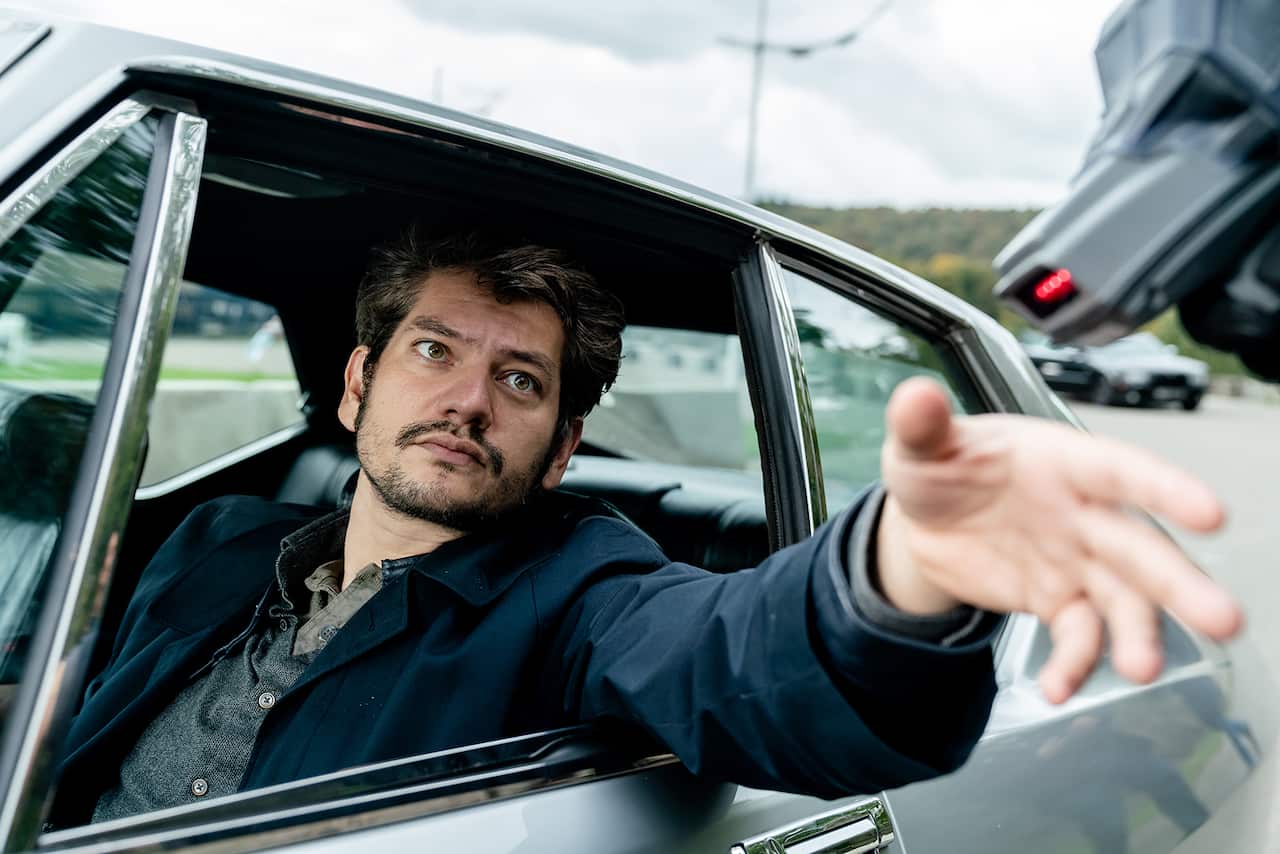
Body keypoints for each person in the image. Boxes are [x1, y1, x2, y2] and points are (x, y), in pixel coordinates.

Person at [54, 230, 1242, 826]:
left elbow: (741, 651)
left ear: (563, 448)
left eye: (521, 381)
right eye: (434, 351)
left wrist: (895, 571)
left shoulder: (579, 589)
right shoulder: (217, 538)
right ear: (357, 384)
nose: (468, 398)